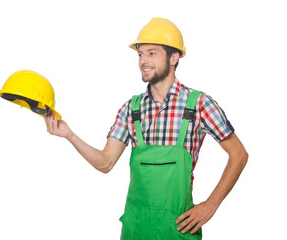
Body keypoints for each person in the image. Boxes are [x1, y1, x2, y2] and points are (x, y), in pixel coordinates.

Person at [44, 17, 248, 240]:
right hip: (135, 228)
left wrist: (211, 205)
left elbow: (239, 154)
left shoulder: (199, 104)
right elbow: (105, 163)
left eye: (152, 53)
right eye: (140, 54)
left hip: (178, 228)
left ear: (174, 57)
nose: (143, 61)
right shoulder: (132, 108)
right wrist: (69, 135)